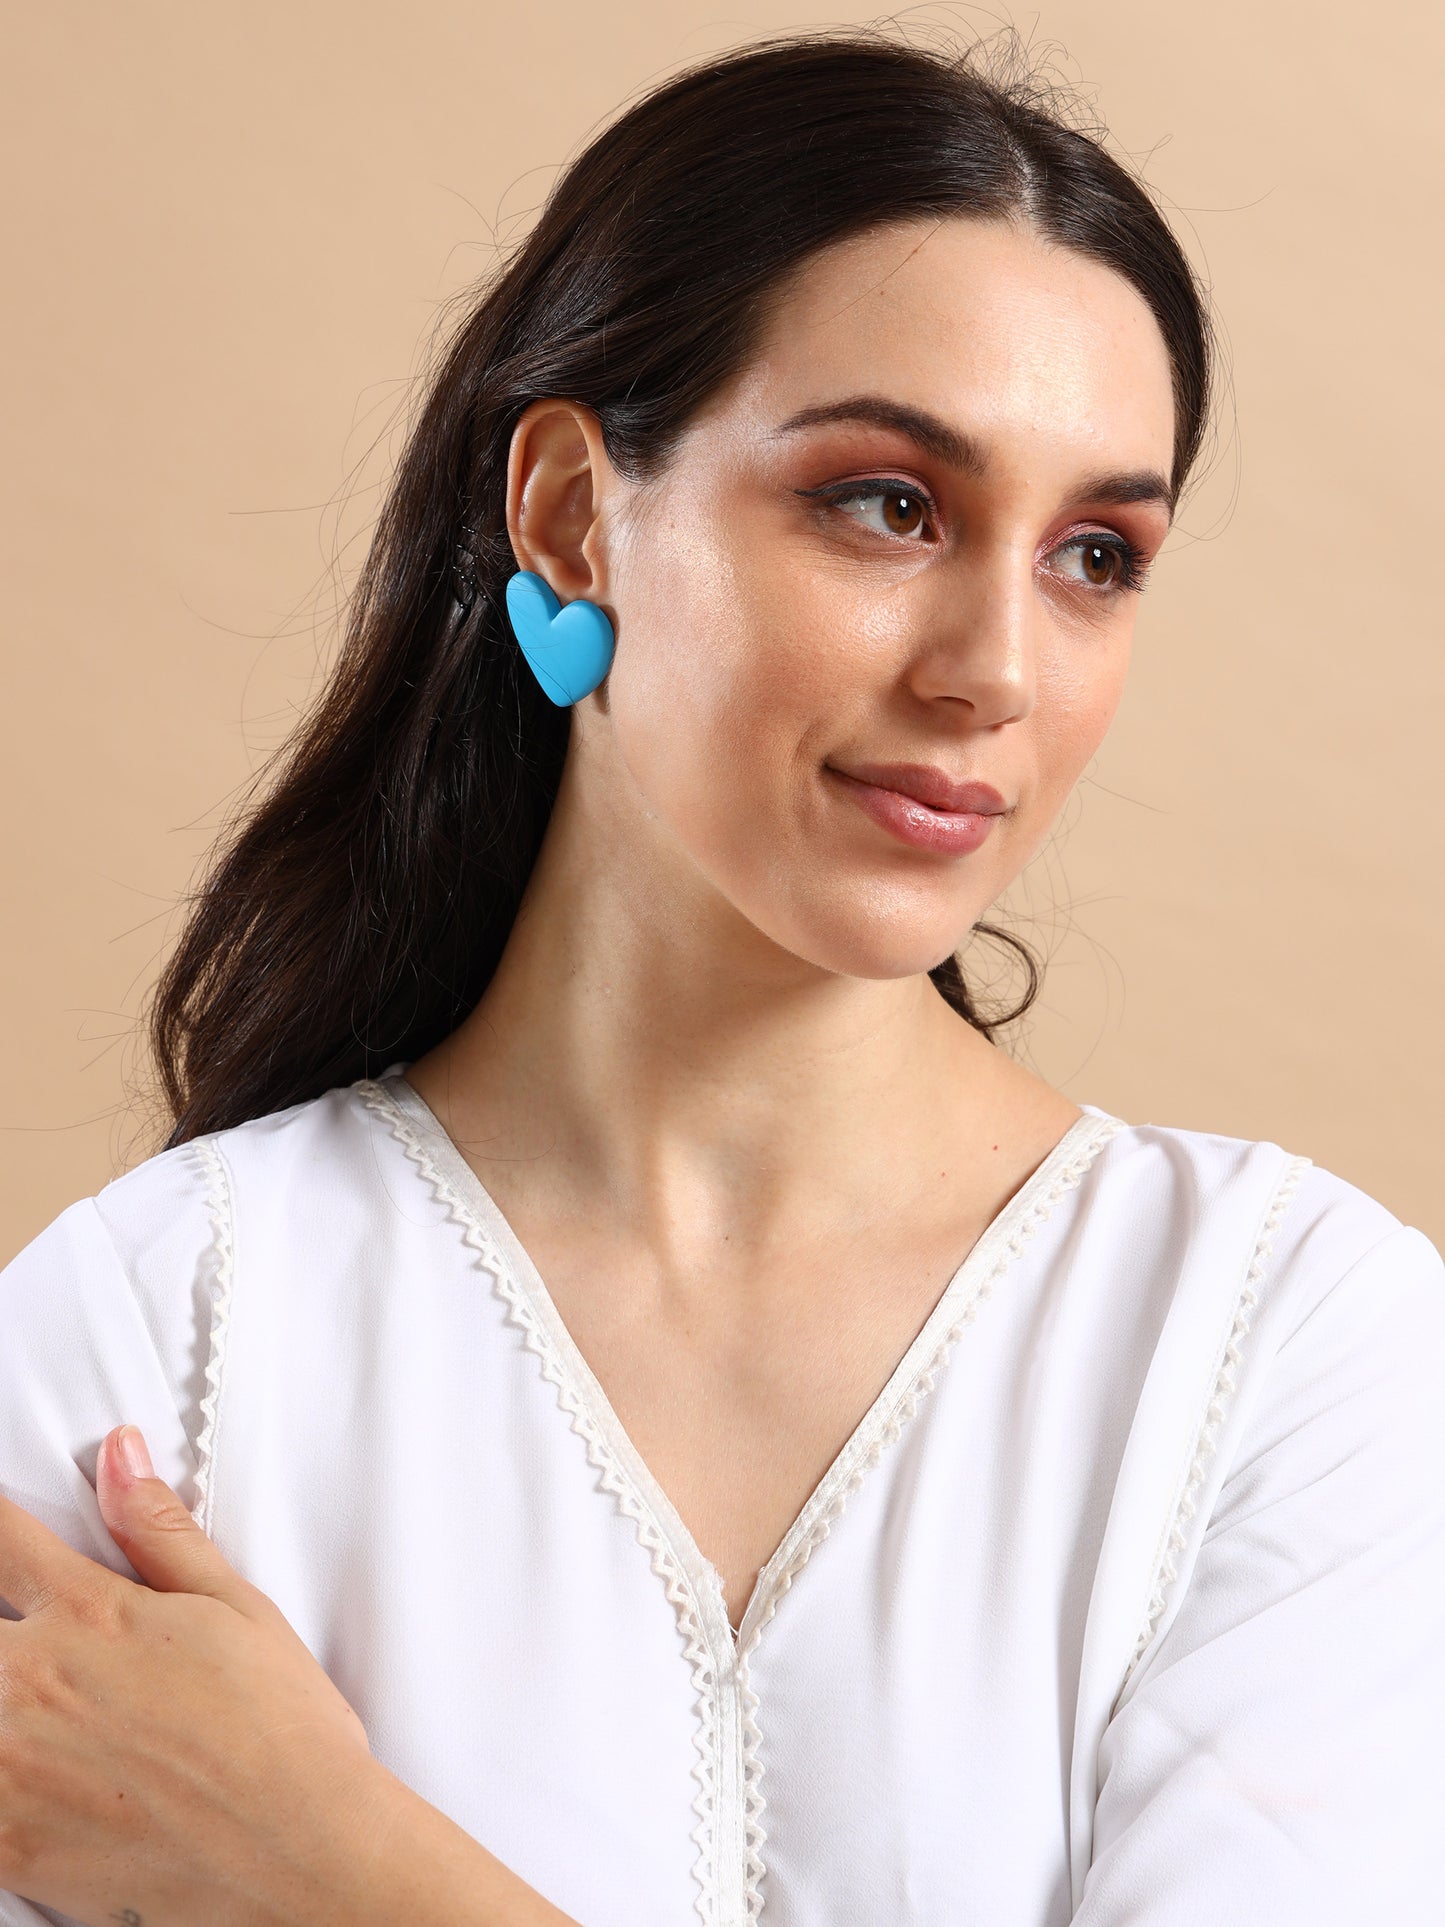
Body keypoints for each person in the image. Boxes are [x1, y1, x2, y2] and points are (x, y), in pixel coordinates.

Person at [1, 28, 1441, 1927]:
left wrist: (319, 1867)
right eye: (887, 504)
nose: (994, 668)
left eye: (1095, 553)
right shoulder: (159, 1331)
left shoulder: (1289, 1339)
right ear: (571, 517)